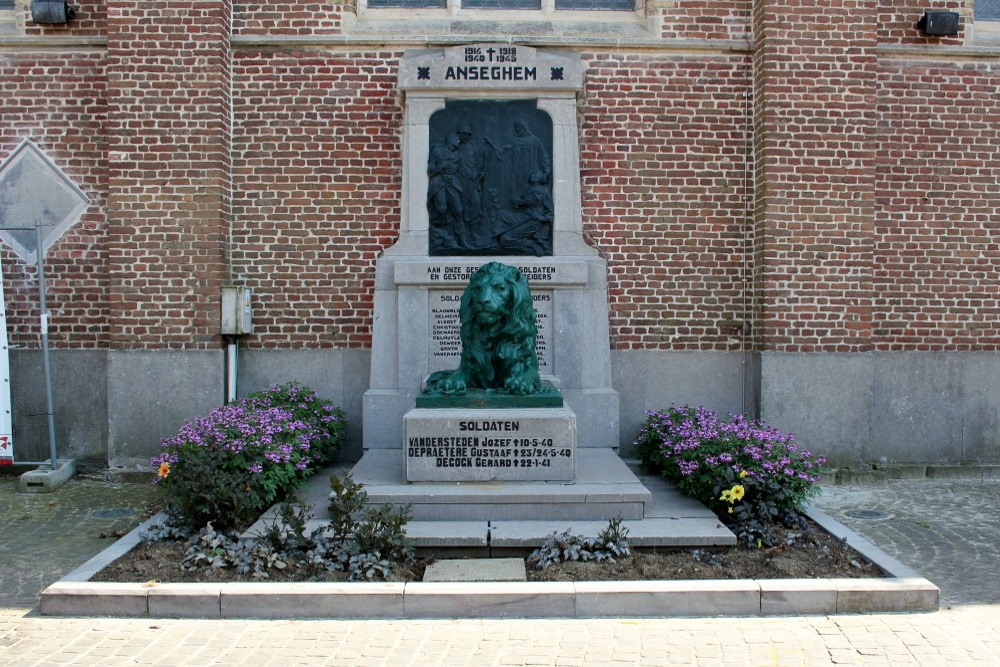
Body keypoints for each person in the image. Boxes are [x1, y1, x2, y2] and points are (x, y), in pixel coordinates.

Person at [426, 132, 465, 252]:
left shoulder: (457, 154)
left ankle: (461, 239)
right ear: (451, 139)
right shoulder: (438, 151)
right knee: (442, 209)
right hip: (439, 182)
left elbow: (462, 170)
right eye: (456, 139)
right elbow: (430, 170)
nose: (458, 142)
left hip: (452, 183)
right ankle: (438, 233)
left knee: (458, 210)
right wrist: (440, 166)